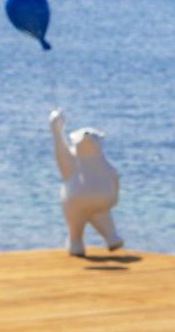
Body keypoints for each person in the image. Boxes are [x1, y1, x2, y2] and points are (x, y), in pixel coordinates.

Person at [50, 109, 123, 257]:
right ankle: (108, 237)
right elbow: (114, 178)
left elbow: (61, 155)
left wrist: (57, 132)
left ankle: (79, 242)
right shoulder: (94, 162)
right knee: (96, 215)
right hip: (96, 201)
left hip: (79, 200)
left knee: (90, 215)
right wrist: (57, 132)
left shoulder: (77, 161)